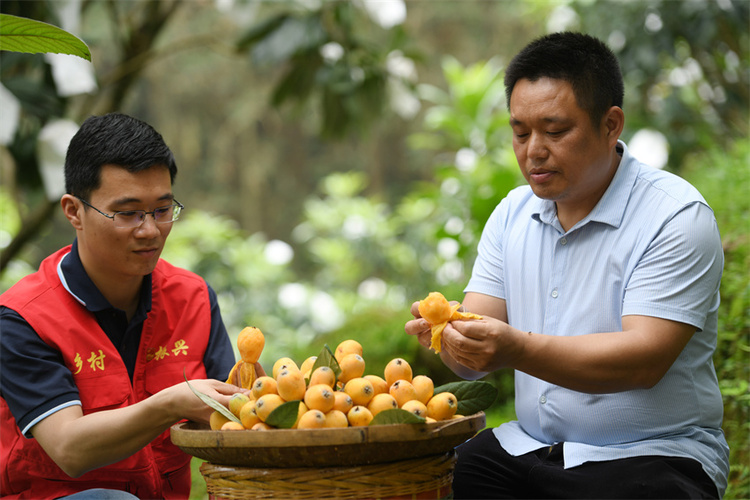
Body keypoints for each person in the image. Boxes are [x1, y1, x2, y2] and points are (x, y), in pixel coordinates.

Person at [405, 32, 728, 499]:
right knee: (434, 482)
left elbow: (644, 361)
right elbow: (476, 355)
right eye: (520, 132)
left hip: (652, 455)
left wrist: (515, 349)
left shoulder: (674, 216)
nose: (533, 150)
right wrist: (451, 339)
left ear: (610, 124)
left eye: (555, 131)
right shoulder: (512, 214)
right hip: (530, 447)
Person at [0, 113, 248, 499]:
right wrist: (169, 404)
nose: (149, 230)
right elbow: (70, 449)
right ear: (73, 212)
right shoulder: (22, 318)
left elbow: (225, 424)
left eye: (162, 210)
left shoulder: (192, 297)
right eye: (127, 213)